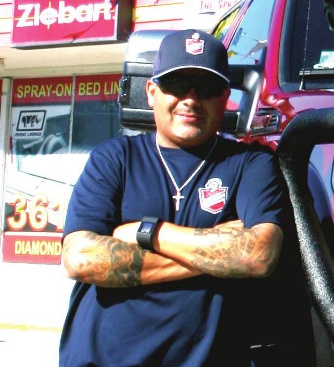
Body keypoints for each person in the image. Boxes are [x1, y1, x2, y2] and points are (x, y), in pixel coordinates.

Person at [59, 29, 315, 366]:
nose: (191, 99)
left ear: (225, 97)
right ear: (151, 92)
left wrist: (148, 233)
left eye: (206, 88)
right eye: (177, 85)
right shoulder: (114, 159)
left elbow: (258, 254)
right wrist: (220, 256)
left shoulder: (250, 164)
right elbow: (80, 258)